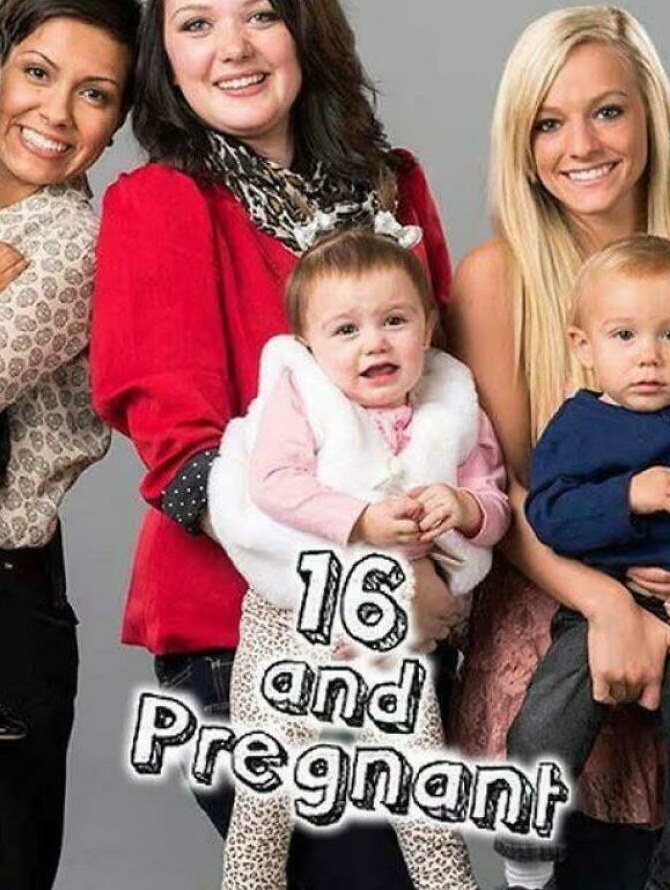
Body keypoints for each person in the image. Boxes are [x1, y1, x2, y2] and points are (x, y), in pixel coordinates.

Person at [90, 0, 463, 890]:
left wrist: (449, 569)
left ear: (304, 22)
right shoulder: (162, 205)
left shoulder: (392, 188)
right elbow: (188, 464)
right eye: (196, 24)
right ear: (166, 59)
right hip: (244, 637)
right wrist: (372, 584)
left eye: (259, 14)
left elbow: (443, 400)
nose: (233, 48)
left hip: (416, 630)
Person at [448, 6, 670, 890]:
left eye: (608, 111)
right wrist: (608, 605)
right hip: (567, 616)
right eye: (548, 122)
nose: (581, 145)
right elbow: (505, 490)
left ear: (650, 117)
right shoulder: (497, 279)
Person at [207, 229, 509, 890]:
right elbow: (273, 483)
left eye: (395, 321)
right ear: (308, 344)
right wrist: (363, 520)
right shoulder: (303, 397)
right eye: (346, 329)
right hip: (291, 627)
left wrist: (464, 507)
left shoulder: (451, 404)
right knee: (265, 797)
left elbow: (495, 500)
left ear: (428, 325)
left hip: (389, 639)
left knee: (422, 792)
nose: (375, 343)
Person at [498, 235, 670, 890]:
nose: (649, 355)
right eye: (624, 335)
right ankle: (526, 844)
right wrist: (625, 497)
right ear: (583, 346)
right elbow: (549, 515)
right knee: (548, 715)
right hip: (603, 606)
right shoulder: (579, 426)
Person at [0, 0, 140, 890]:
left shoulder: (71, 243)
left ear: (118, 120)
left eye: (95, 93)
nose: (55, 112)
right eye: (37, 72)